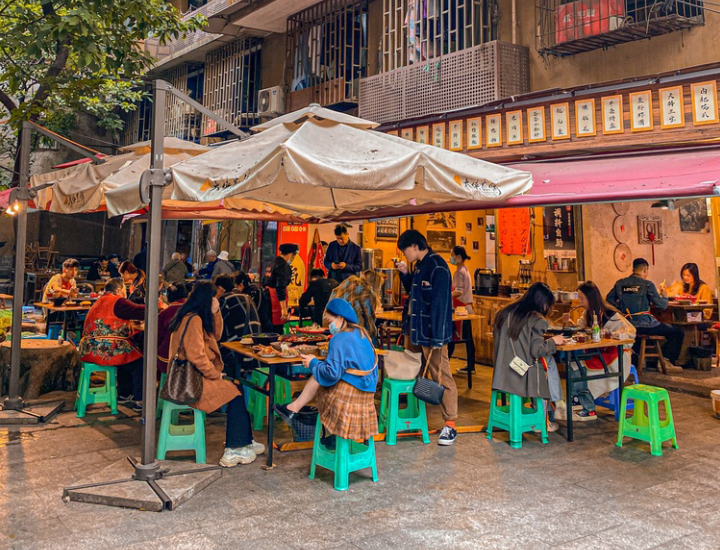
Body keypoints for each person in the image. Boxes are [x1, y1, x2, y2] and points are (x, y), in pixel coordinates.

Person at [168, 281, 264, 467]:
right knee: (234, 391)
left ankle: (245, 440)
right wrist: (215, 375)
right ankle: (234, 449)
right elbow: (197, 357)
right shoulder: (193, 319)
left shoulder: (192, 316)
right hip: (190, 381)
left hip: (190, 376)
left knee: (235, 385)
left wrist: (216, 312)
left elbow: (216, 336)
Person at [274, 298, 378, 444]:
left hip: (348, 399)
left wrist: (313, 362)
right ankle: (330, 434)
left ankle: (294, 408)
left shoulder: (339, 338)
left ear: (341, 318)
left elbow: (331, 373)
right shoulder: (361, 333)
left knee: (318, 377)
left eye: (330, 321)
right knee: (319, 374)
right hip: (367, 396)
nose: (329, 325)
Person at [396, 229, 457, 446]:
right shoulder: (420, 267)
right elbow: (415, 294)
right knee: (412, 372)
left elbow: (441, 304)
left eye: (404, 251)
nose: (404, 255)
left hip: (432, 333)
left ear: (414, 246)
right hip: (415, 330)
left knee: (441, 375)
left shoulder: (438, 266)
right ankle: (413, 417)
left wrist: (439, 338)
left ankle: (450, 425)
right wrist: (405, 274)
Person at [493, 282, 566, 431]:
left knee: (546, 362)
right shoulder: (537, 320)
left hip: (501, 371)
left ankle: (553, 406)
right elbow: (536, 351)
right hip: (521, 372)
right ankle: (547, 415)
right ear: (542, 303)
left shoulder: (504, 312)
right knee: (548, 362)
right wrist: (553, 341)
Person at [560, 281, 637, 421]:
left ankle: (587, 409)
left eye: (582, 298)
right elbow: (580, 330)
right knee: (573, 365)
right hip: (599, 354)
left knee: (579, 367)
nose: (580, 301)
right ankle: (579, 405)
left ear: (591, 298)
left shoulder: (610, 314)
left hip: (616, 357)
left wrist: (613, 334)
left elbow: (631, 333)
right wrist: (569, 322)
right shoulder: (587, 314)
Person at [607, 258, 684, 373]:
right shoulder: (647, 284)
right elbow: (662, 305)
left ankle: (639, 361)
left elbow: (608, 300)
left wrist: (622, 310)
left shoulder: (620, 283)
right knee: (677, 332)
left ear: (633, 269)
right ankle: (666, 362)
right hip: (646, 325)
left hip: (627, 326)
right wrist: (664, 295)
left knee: (638, 333)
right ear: (644, 269)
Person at [79, 278, 145, 409]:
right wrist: (160, 308)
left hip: (88, 349)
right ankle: (140, 399)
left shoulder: (99, 300)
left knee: (127, 357)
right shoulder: (118, 301)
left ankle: (124, 394)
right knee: (139, 362)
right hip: (104, 350)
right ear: (119, 290)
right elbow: (140, 311)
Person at [215, 274, 262, 374]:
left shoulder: (224, 300)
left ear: (220, 288)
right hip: (255, 348)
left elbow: (214, 325)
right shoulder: (246, 297)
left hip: (238, 351)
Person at [330, 270, 385, 346]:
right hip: (353, 333)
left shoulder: (346, 284)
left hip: (333, 327)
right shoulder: (367, 291)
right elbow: (369, 320)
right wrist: (375, 343)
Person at [448, 246, 474, 362]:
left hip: (462, 309)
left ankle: (446, 363)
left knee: (455, 339)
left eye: (452, 255)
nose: (451, 258)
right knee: (469, 338)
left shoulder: (459, 272)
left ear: (458, 257)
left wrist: (446, 295)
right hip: (468, 307)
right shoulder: (465, 269)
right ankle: (471, 364)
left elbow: (459, 291)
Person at [264, 243, 298, 334]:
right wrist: (283, 309)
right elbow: (280, 287)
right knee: (277, 331)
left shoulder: (272, 263)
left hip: (266, 298)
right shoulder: (283, 265)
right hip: (275, 300)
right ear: (291, 254)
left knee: (268, 328)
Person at [157, 283, 188, 374]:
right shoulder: (194, 311)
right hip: (191, 360)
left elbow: (156, 338)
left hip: (167, 360)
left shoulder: (164, 314)